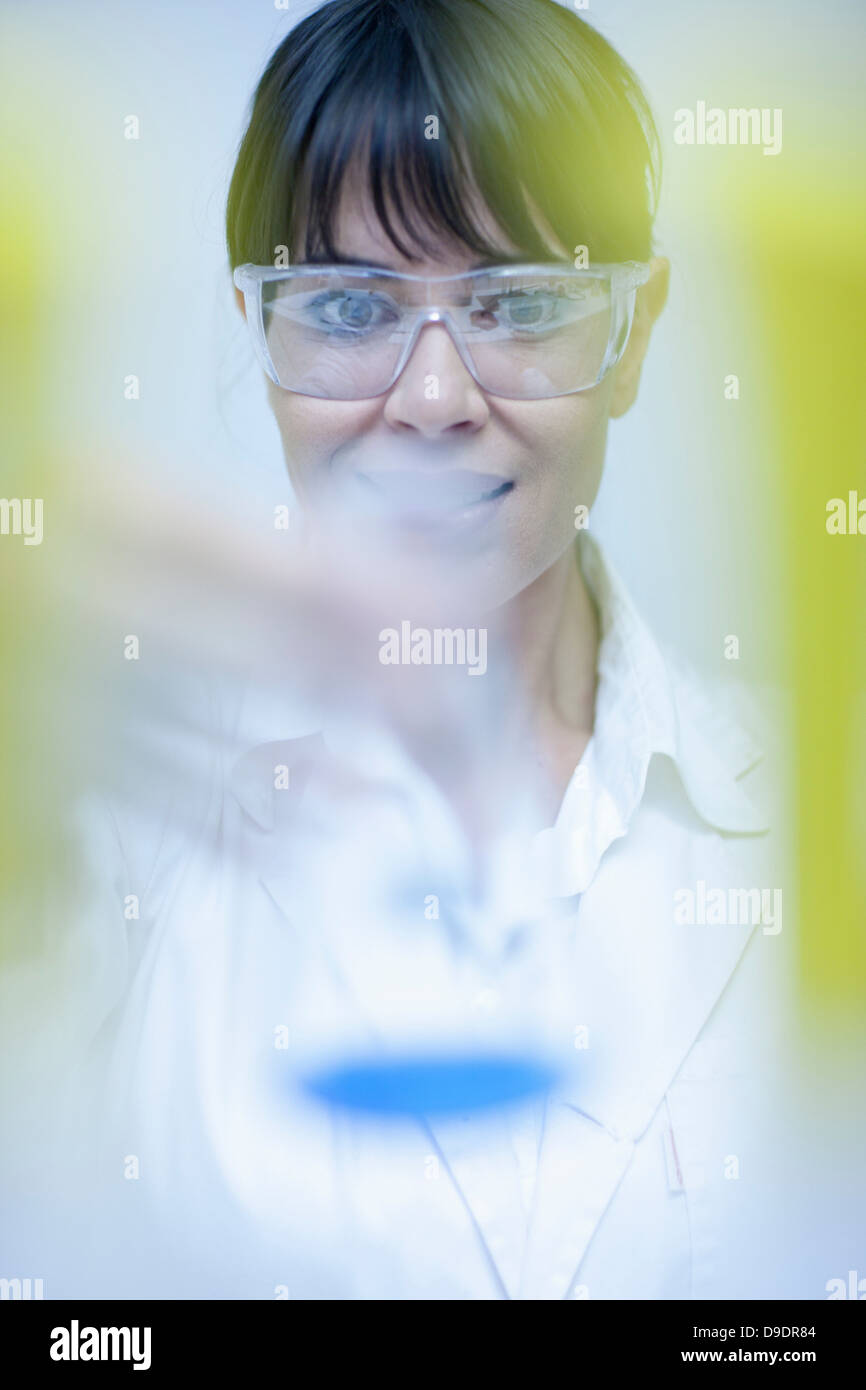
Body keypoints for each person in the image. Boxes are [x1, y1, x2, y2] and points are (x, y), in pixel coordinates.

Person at [9, 0, 801, 1301]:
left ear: (633, 332)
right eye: (342, 304)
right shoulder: (102, 825)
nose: (433, 400)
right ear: (259, 335)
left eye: (517, 302)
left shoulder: (811, 818)